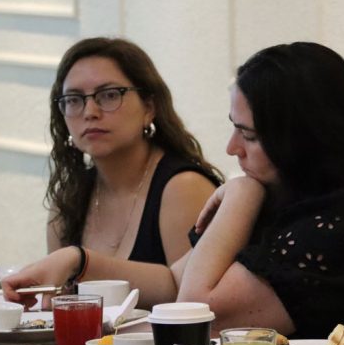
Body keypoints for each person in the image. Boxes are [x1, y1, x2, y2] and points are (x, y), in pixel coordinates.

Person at [5, 42, 344, 345]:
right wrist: (76, 260)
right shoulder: (284, 198)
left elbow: (195, 314)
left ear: (303, 140)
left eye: (248, 135)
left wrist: (240, 193)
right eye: (235, 127)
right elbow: (173, 280)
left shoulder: (343, 219)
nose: (232, 148)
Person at [46, 37, 221, 265]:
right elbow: (55, 287)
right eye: (73, 100)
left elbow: (192, 287)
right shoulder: (67, 200)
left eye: (109, 95)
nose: (90, 112)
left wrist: (82, 265)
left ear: (149, 108)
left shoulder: (184, 188)